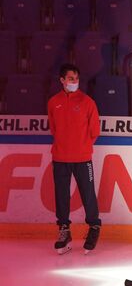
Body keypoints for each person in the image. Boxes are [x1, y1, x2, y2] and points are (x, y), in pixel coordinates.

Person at [47, 63, 101, 255]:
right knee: (61, 195)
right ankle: (64, 230)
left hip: (83, 158)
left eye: (76, 79)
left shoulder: (88, 102)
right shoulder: (53, 102)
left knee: (88, 194)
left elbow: (95, 131)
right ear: (62, 80)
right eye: (70, 79)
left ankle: (94, 227)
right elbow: (54, 129)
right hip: (60, 157)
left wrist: (82, 148)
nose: (74, 82)